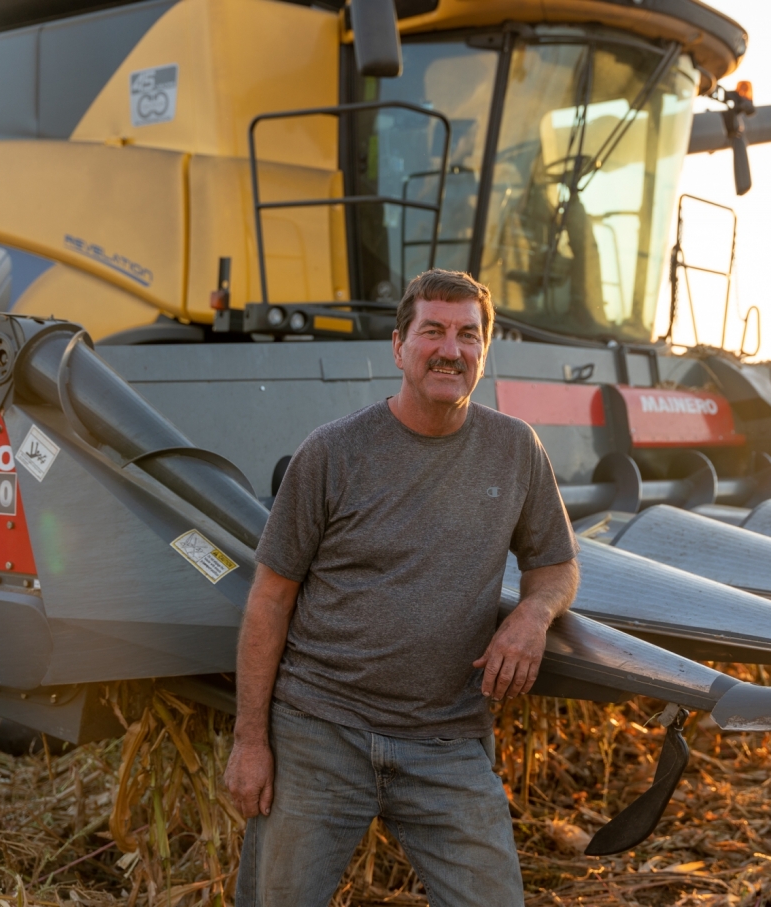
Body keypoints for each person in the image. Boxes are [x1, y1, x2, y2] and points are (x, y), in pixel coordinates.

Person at [225, 269, 580, 907]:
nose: (451, 349)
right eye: (433, 331)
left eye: (468, 334)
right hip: (320, 731)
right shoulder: (333, 453)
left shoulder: (515, 450)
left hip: (446, 739)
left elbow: (556, 564)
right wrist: (251, 741)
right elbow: (269, 600)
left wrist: (533, 615)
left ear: (484, 350)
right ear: (398, 346)